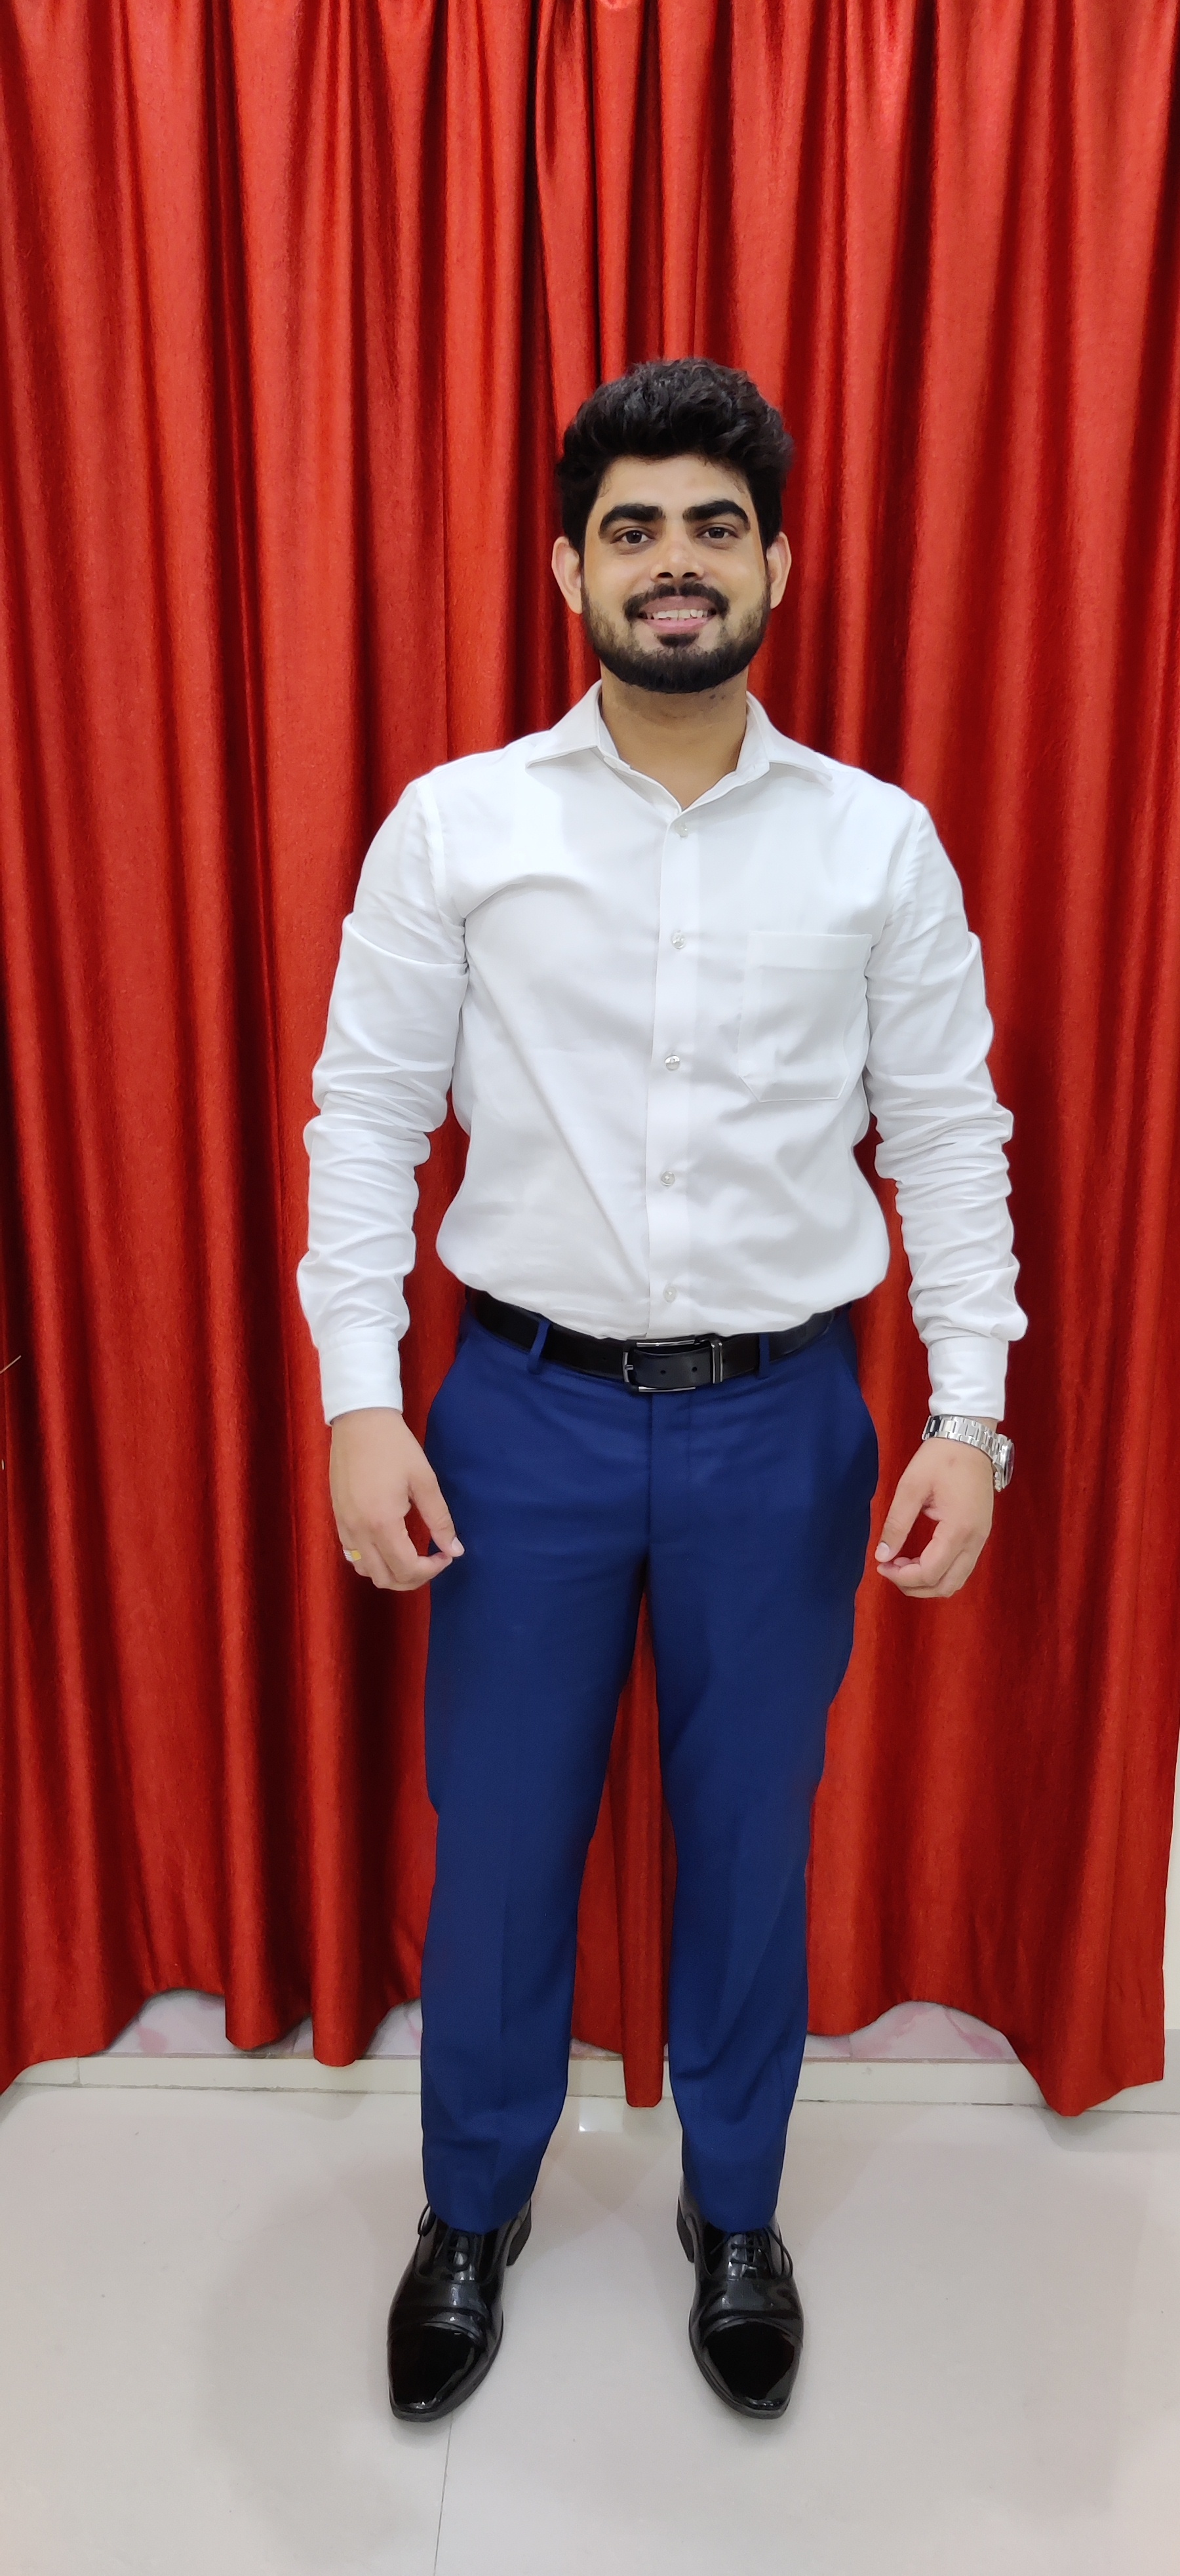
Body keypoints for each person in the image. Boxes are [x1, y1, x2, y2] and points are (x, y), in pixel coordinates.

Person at [298, 357, 1025, 2425]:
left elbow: (948, 1134)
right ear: (570, 569)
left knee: (750, 1841)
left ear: (777, 563)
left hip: (778, 1428)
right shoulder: (461, 826)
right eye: (635, 528)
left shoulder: (878, 846)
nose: (675, 562)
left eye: (715, 524)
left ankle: (738, 2214)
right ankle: (471, 2211)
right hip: (516, 1418)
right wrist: (362, 1396)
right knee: (502, 1845)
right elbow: (367, 1117)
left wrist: (969, 1415)